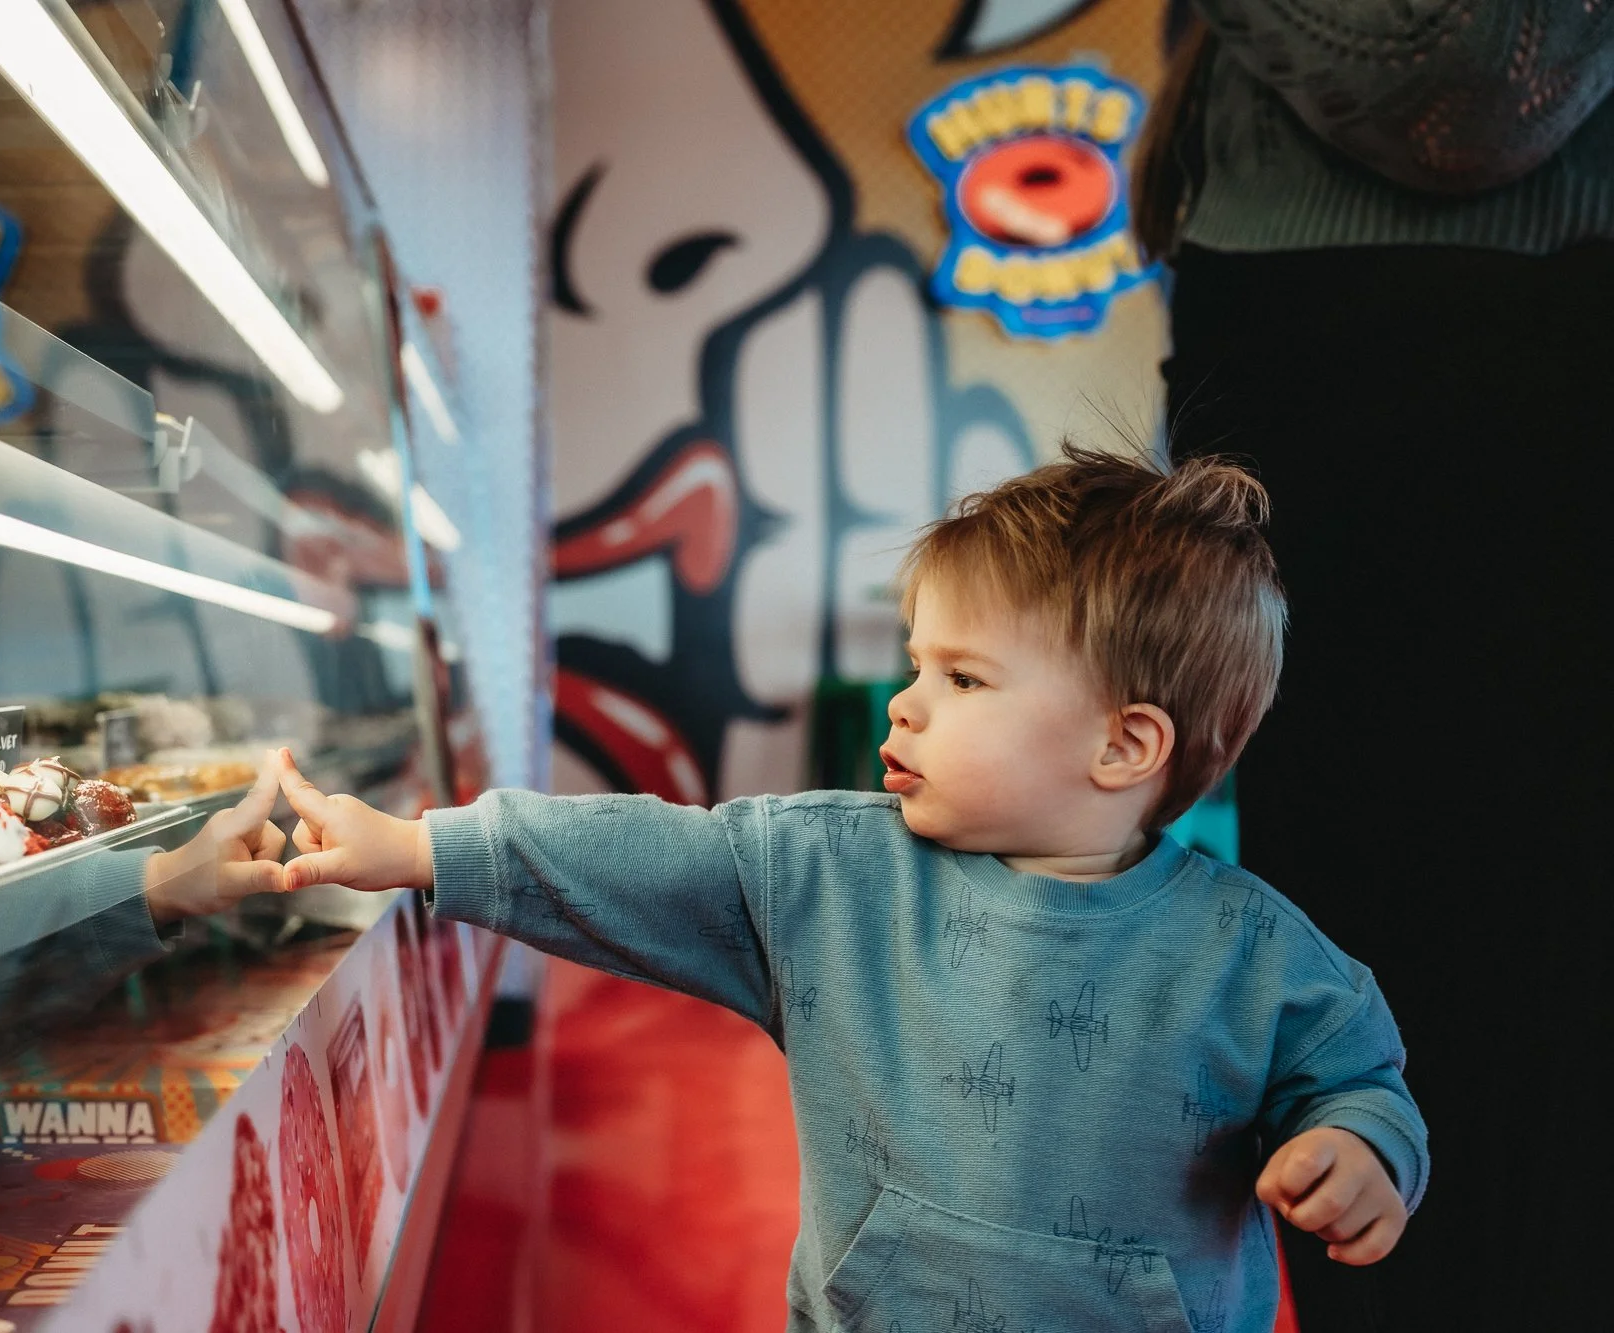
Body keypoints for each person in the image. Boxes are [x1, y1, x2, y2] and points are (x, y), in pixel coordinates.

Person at [262, 447, 1428, 1333]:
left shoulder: (1253, 952)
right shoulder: (826, 873)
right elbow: (632, 851)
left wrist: (1360, 1150)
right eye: (914, 661)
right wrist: (422, 849)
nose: (903, 703)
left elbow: (1358, 1078)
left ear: (1123, 747)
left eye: (962, 676)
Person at [1135, 4, 1614, 1326]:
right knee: (1377, 953)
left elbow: (1473, 83)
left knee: (1454, 941)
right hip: (1342, 313)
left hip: (1431, 317)